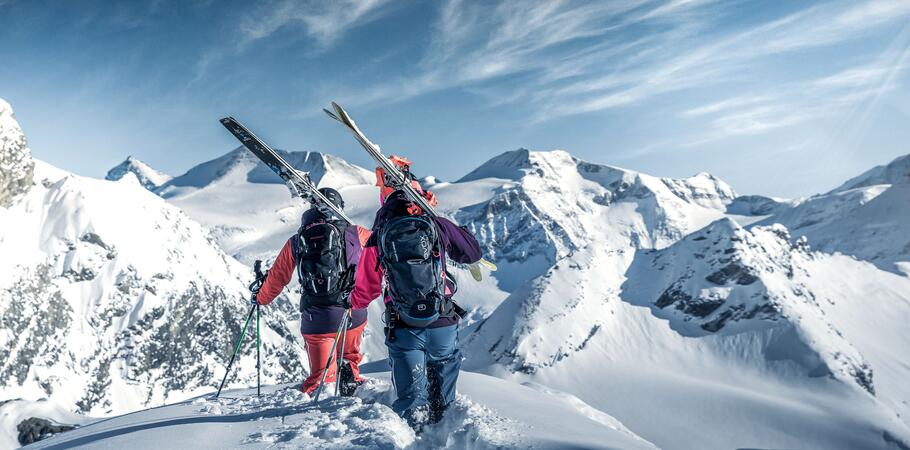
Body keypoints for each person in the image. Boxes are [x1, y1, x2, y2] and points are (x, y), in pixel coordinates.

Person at [349, 156, 482, 427]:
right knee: (443, 398)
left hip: (404, 326)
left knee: (412, 402)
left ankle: (414, 436)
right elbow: (472, 253)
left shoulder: (380, 233)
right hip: (442, 322)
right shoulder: (436, 225)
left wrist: (351, 302)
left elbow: (366, 288)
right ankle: (444, 431)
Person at [252, 187, 371, 396]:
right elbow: (383, 257)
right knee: (350, 357)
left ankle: (322, 414)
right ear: (339, 208)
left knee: (321, 379)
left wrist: (260, 298)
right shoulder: (357, 233)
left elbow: (277, 278)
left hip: (318, 319)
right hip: (353, 313)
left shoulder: (298, 241)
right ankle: (351, 384)